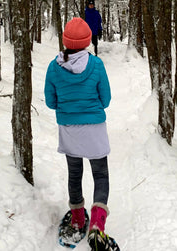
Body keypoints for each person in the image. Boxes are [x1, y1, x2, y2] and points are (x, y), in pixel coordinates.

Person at [44, 17, 119, 250]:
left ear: (65, 41)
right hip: (94, 128)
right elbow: (105, 100)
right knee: (101, 175)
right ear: (87, 41)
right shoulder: (96, 65)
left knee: (74, 174)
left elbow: (50, 101)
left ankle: (77, 220)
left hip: (69, 129)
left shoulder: (54, 67)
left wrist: (69, 107)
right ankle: (97, 224)